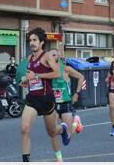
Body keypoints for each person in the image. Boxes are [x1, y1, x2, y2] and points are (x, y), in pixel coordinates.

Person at [19, 27, 70, 162]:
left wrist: (36, 75)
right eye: (30, 40)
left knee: (52, 132)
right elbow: (32, 77)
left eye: (35, 40)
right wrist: (26, 81)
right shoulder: (29, 58)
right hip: (32, 99)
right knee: (24, 129)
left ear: (41, 42)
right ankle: (26, 161)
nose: (32, 43)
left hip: (46, 100)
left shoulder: (47, 56)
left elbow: (57, 73)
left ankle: (63, 129)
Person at [48, 49, 84, 162]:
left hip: (65, 103)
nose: (52, 57)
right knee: (52, 132)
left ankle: (76, 121)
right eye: (50, 56)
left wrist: (76, 93)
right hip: (53, 105)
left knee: (67, 139)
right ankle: (59, 160)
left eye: (54, 55)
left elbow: (81, 77)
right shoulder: (48, 71)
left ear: (59, 56)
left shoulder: (66, 69)